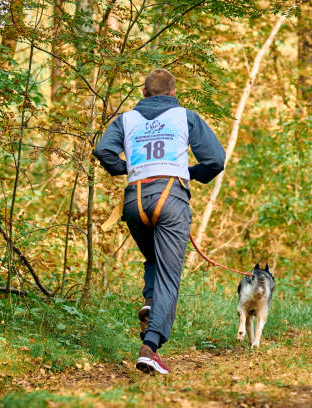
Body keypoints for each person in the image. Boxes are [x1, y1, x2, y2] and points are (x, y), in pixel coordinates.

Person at [93, 68, 225, 374]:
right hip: (171, 198)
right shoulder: (185, 116)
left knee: (154, 257)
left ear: (144, 93)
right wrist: (191, 173)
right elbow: (215, 160)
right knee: (169, 273)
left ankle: (151, 304)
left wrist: (123, 167)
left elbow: (103, 150)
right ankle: (150, 347)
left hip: (134, 200)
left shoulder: (126, 120)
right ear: (173, 93)